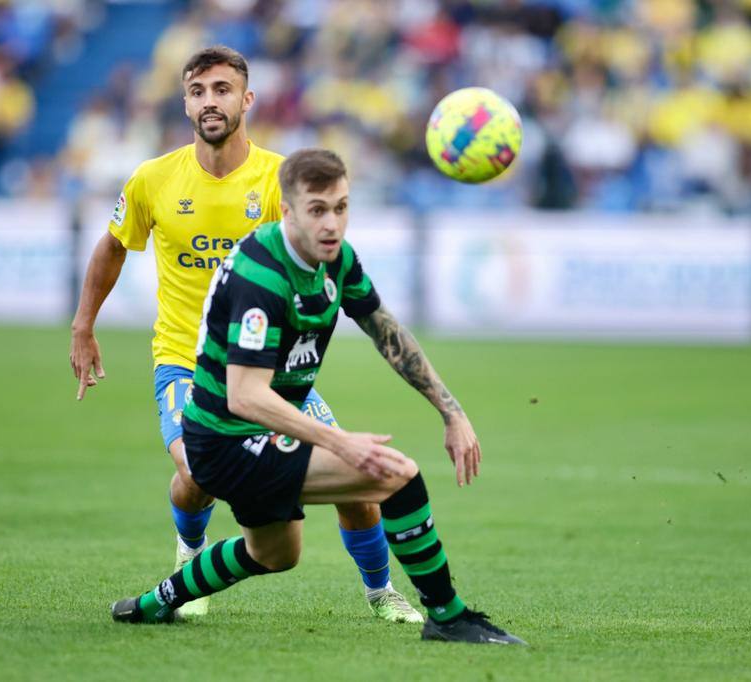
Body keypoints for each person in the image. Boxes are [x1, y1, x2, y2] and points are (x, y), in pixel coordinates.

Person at [111, 148, 526, 645]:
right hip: (224, 439)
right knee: (394, 476)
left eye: (342, 207)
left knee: (274, 553)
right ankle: (449, 616)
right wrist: (340, 442)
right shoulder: (260, 274)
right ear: (287, 211)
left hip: (257, 430)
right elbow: (245, 398)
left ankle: (154, 604)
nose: (332, 223)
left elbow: (386, 333)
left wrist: (451, 413)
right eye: (317, 209)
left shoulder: (338, 259)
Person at [70, 46, 421, 622]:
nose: (211, 101)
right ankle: (190, 564)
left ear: (246, 99)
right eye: (199, 91)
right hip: (186, 363)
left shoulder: (281, 180)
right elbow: (112, 245)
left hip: (273, 374)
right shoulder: (152, 180)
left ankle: (382, 593)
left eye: (223, 89)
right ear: (185, 103)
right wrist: (84, 324)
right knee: (195, 477)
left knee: (359, 487)